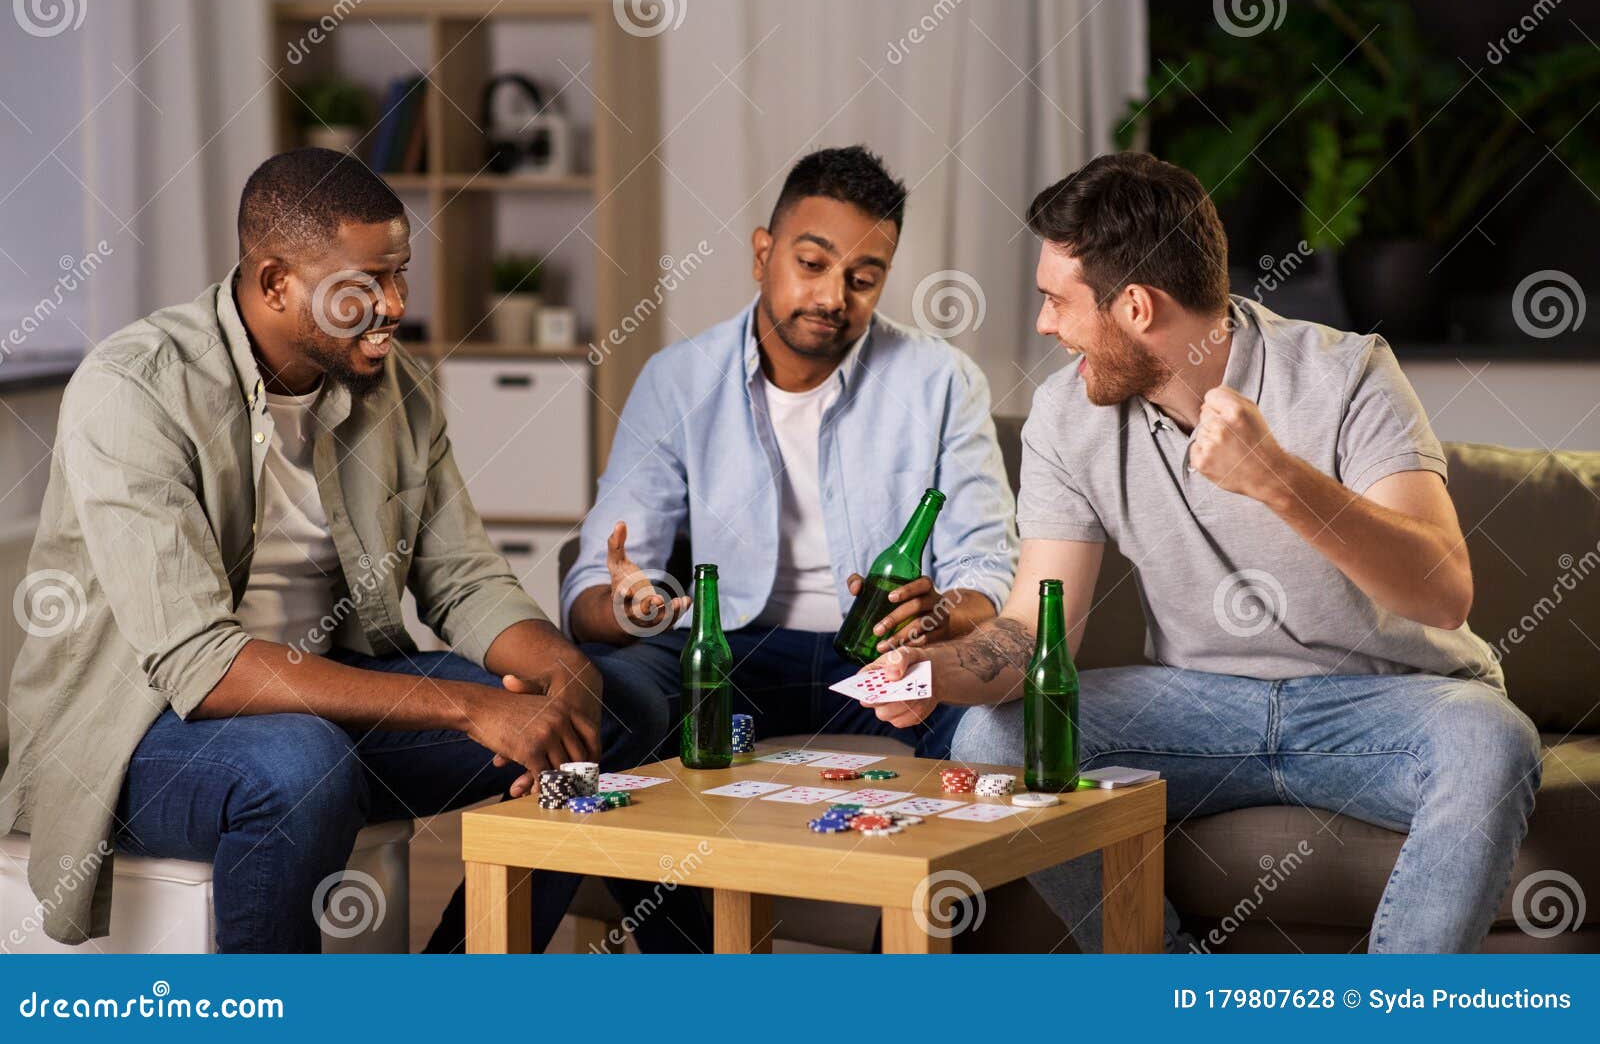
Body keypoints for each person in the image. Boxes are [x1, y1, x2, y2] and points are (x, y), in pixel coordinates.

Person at [0, 148, 705, 953]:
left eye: (401, 275)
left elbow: (464, 579)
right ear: (275, 283)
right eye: (365, 285)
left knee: (617, 708)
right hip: (140, 738)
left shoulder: (394, 385)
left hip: (327, 708)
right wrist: (474, 706)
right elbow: (203, 662)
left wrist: (561, 671)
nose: (395, 304)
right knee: (302, 768)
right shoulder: (133, 391)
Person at [860, 151, 1542, 953]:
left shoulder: (1347, 374)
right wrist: (931, 673)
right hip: (1200, 709)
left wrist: (1278, 479)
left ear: (1139, 307)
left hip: (1384, 705)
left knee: (1493, 740)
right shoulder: (1066, 414)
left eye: (1056, 301)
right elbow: (1033, 633)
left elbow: (1442, 593)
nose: (1045, 326)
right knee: (995, 740)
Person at [562, 145, 1016, 762]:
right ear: (762, 254)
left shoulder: (943, 382)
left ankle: (948, 861)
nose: (833, 297)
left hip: (884, 654)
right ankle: (522, 861)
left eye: (862, 278)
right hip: (727, 649)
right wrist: (632, 609)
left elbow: (986, 568)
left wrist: (939, 615)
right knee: (600, 701)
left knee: (999, 725)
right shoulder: (679, 380)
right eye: (811, 263)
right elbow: (599, 582)